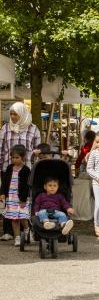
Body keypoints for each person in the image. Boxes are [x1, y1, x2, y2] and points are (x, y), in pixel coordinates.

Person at [0, 102, 41, 241]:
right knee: (9, 198)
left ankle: (27, 231)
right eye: (11, 114)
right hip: (8, 168)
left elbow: (38, 149)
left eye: (15, 114)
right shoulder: (5, 128)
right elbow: (1, 148)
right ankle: (8, 231)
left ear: (22, 114)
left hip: (26, 169)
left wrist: (36, 158)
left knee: (24, 198)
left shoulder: (33, 129)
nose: (12, 116)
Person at [0, 144, 31, 246]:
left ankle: (27, 232)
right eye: (13, 157)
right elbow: (4, 182)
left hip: (21, 198)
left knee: (23, 217)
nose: (14, 160)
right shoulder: (9, 168)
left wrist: (23, 199)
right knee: (14, 218)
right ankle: (17, 238)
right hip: (11, 197)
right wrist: (3, 193)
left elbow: (26, 186)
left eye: (17, 157)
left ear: (23, 157)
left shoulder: (26, 170)